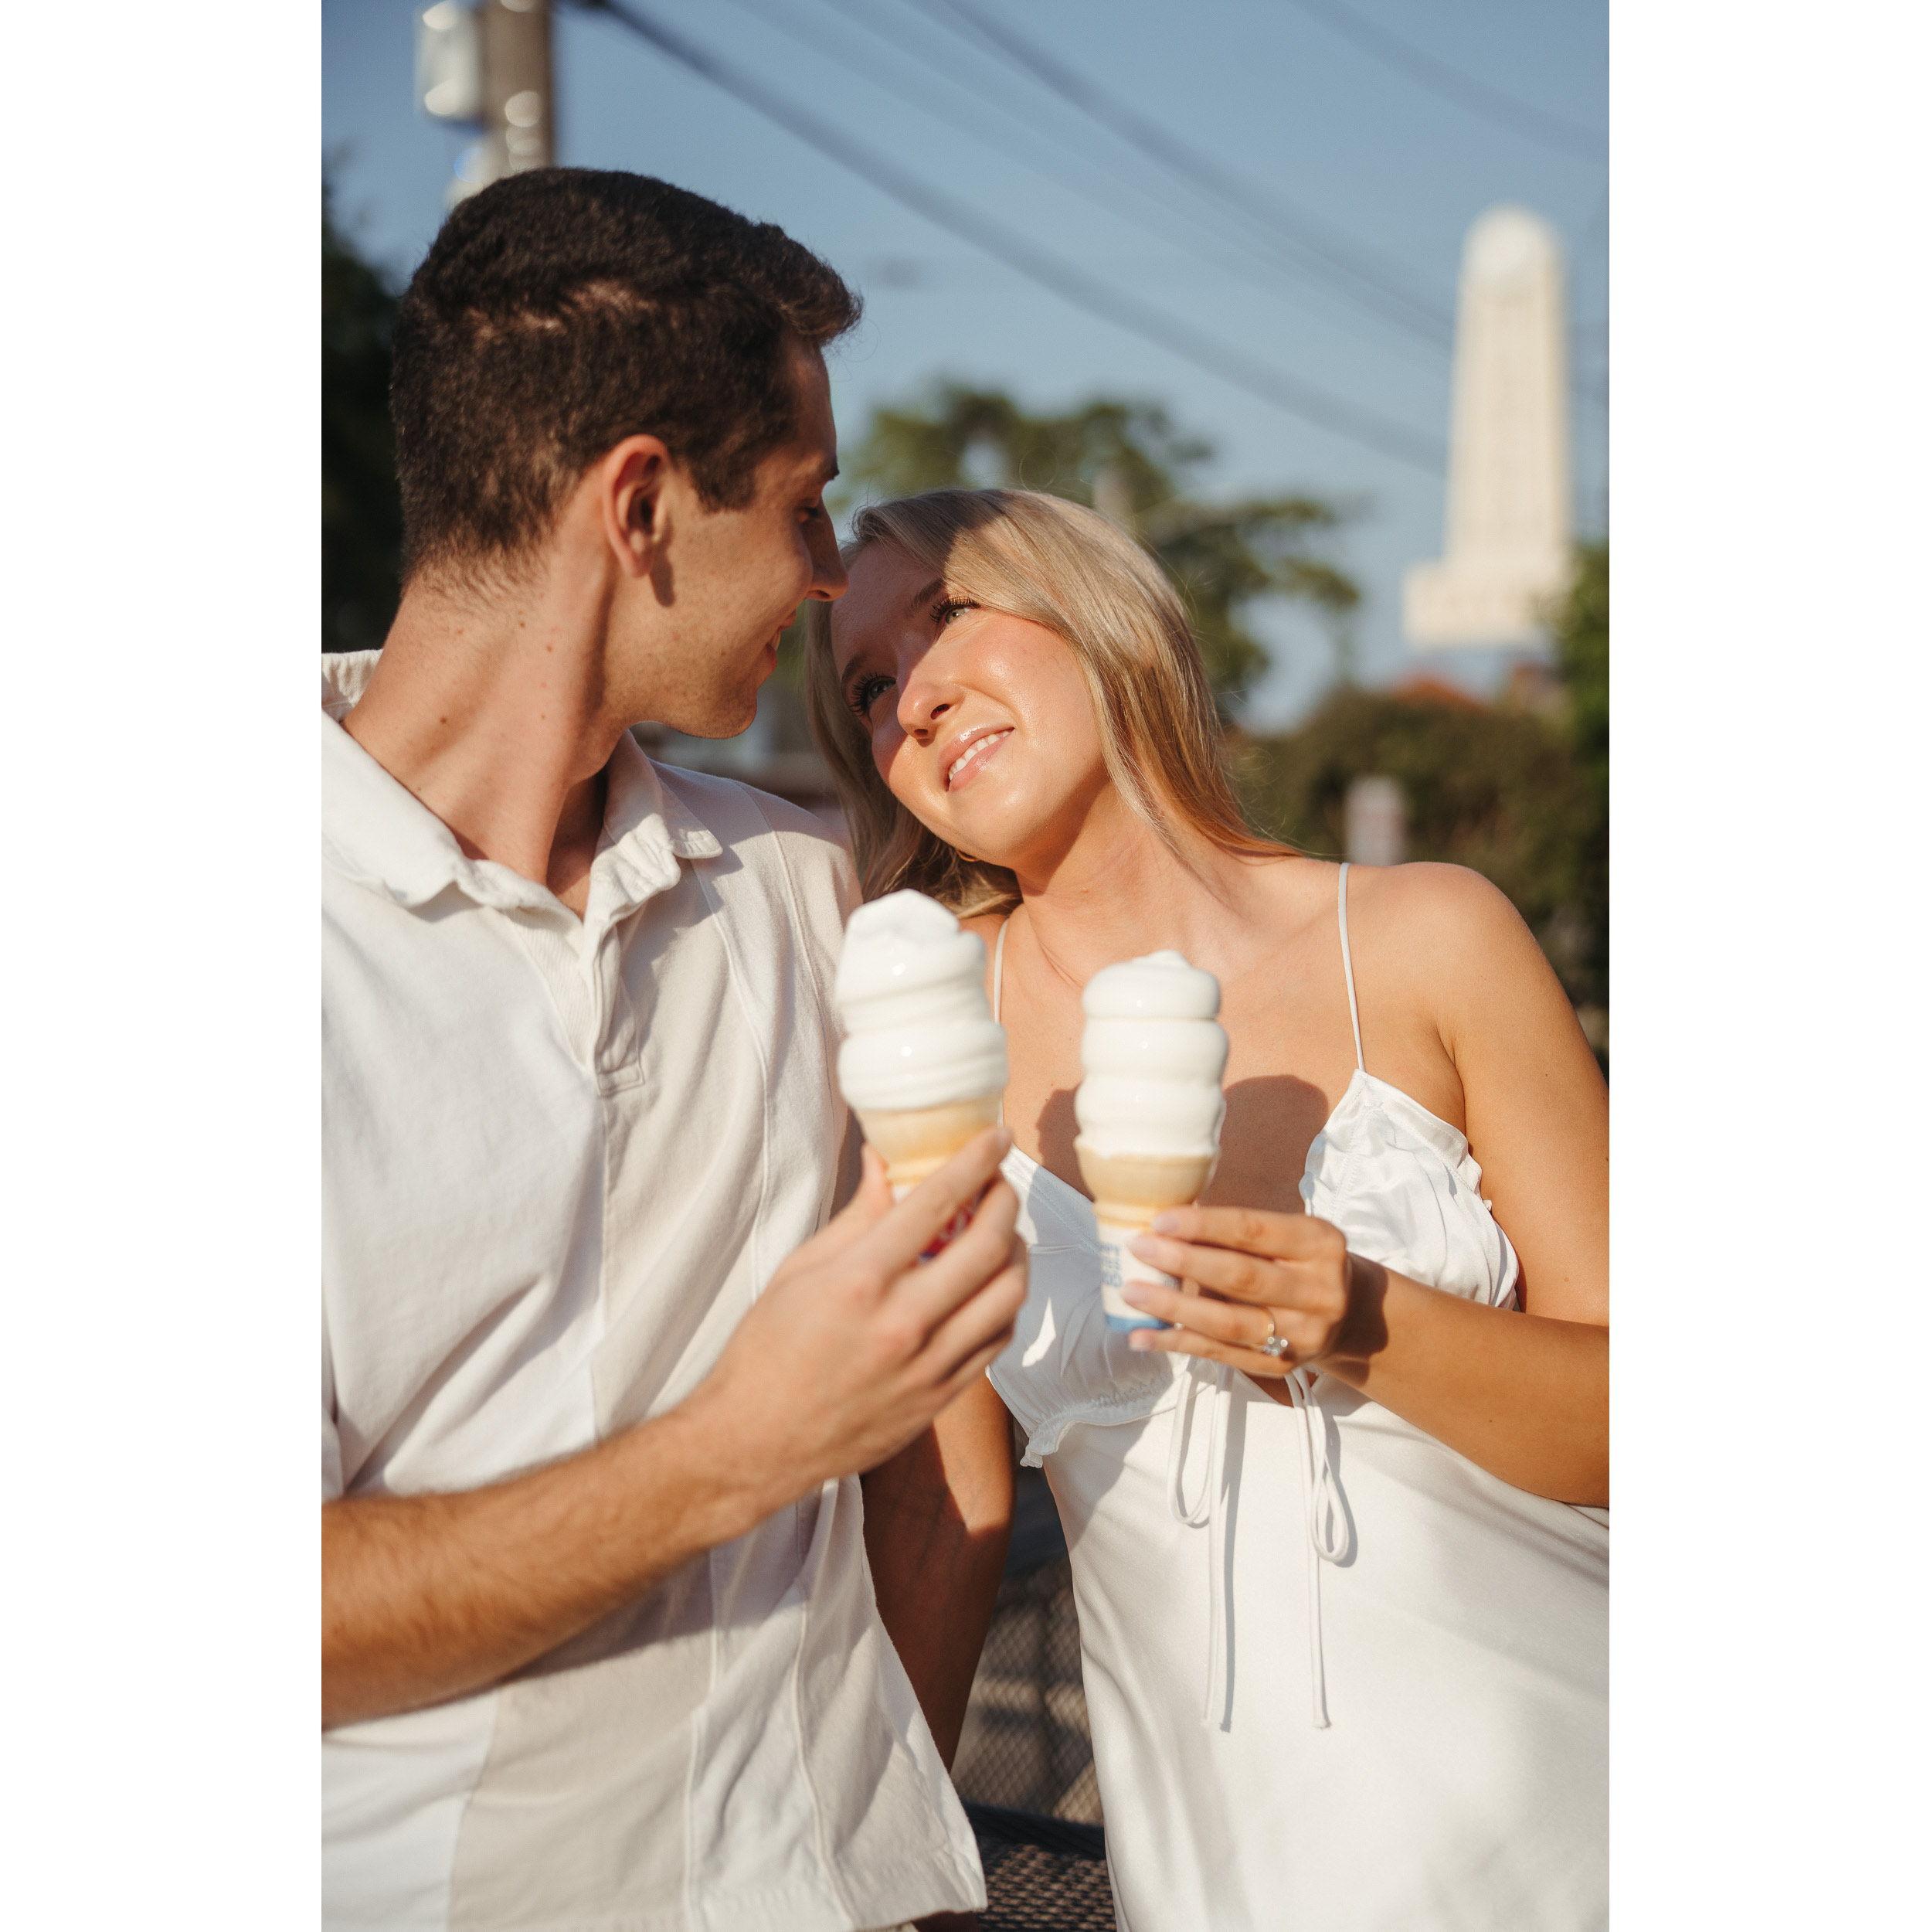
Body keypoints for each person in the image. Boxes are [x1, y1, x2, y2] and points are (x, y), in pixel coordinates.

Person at [322, 171, 1026, 1932]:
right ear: (638, 506)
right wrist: (738, 1442)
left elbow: (937, 1447)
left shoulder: (798, 888)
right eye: (800, 508)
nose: (814, 576)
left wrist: (894, 1834)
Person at [807, 487, 1609, 1930]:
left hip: (1585, 1802)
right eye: (869, 689)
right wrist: (890, 1890)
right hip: (1241, 1873)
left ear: (1098, 611)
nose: (911, 704)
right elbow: (945, 1509)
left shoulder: (1432, 938)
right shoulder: (932, 1035)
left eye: (944, 619)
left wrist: (1366, 1318)